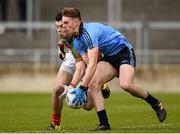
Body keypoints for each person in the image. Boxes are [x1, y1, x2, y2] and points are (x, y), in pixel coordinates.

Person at [61, 7, 167, 131]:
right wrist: (80, 86)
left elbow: (93, 63)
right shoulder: (77, 40)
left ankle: (155, 103)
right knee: (94, 84)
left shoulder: (88, 33)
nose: (63, 26)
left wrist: (83, 87)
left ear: (76, 22)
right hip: (109, 58)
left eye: (66, 23)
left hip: (124, 52)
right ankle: (104, 124)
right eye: (63, 23)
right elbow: (88, 62)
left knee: (126, 84)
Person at [49, 12, 110, 130]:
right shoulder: (64, 37)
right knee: (57, 89)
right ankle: (55, 124)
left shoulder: (83, 35)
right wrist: (61, 46)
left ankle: (101, 85)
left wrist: (79, 83)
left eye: (62, 26)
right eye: (57, 27)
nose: (59, 30)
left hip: (87, 58)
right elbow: (66, 46)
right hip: (74, 58)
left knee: (87, 106)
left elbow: (87, 63)